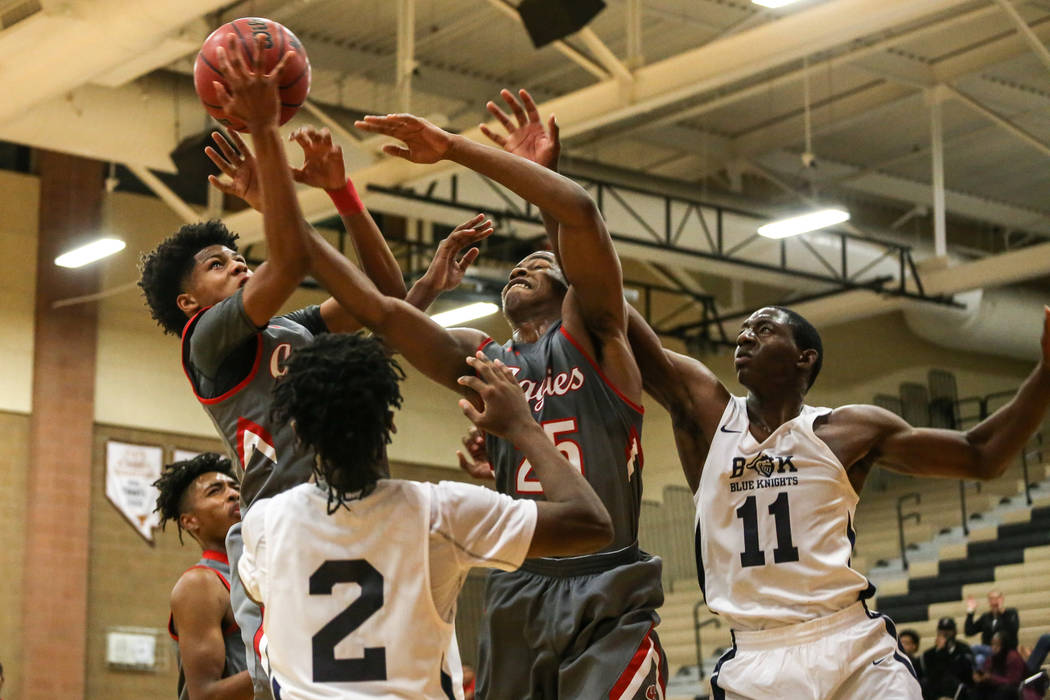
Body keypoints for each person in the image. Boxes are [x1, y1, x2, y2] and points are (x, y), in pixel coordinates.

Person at [138, 34, 489, 697]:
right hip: (279, 535)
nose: (238, 263)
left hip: (350, 512)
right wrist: (270, 162)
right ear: (189, 301)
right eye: (218, 264)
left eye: (237, 254)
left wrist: (344, 194)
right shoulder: (207, 342)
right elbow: (295, 259)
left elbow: (379, 301)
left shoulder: (288, 328)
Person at [276, 107, 666, 698]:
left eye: (538, 263)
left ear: (572, 289)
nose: (521, 269)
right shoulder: (486, 359)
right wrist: (335, 200)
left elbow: (579, 213)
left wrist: (455, 148)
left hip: (604, 581)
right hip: (518, 581)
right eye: (515, 267)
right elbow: (384, 318)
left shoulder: (598, 335)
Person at [237, 334, 614, 699]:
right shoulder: (441, 513)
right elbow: (590, 523)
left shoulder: (265, 522)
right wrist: (522, 426)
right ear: (390, 424)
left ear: (298, 433)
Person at [154, 453, 251, 700]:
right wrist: (287, 664)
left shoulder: (262, 573)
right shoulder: (201, 583)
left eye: (235, 486)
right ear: (190, 521)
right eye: (215, 491)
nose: (232, 494)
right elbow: (206, 695)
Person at [923, 618, 975, 700]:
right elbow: (931, 674)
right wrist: (940, 651)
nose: (945, 633)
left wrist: (943, 653)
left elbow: (965, 672)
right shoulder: (929, 654)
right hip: (936, 689)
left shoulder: (964, 649)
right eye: (942, 630)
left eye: (948, 630)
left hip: (958, 687)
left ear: (955, 631)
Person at [967, 590, 1020, 666]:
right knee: (979, 659)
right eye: (991, 599)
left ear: (1002, 599)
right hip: (988, 652)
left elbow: (1014, 630)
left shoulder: (1011, 613)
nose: (994, 602)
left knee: (974, 648)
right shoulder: (986, 617)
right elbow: (969, 631)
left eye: (997, 598)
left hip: (1005, 650)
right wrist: (970, 612)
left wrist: (1003, 613)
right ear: (989, 601)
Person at [973, 631, 1026, 700]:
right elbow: (986, 670)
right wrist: (980, 676)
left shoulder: (1013, 657)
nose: (993, 648)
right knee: (978, 688)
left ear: (1004, 645)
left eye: (997, 645)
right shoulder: (992, 657)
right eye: (992, 645)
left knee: (1004, 691)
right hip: (996, 687)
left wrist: (991, 678)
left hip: (1011, 690)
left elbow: (1013, 681)